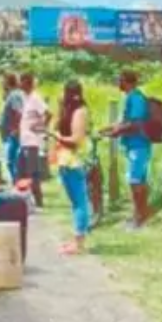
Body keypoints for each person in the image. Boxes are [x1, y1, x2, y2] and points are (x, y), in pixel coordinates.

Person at [107, 70, 153, 230]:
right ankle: (140, 215)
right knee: (138, 181)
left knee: (135, 182)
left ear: (127, 82)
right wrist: (111, 128)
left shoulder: (137, 99)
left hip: (138, 145)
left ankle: (139, 217)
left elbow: (136, 123)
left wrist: (117, 131)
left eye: (120, 80)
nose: (118, 83)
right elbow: (128, 121)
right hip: (133, 145)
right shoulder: (130, 98)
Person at [55, 80, 90, 255]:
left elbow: (74, 138)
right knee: (80, 203)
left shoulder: (74, 112)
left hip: (67, 160)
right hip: (71, 161)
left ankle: (78, 240)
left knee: (78, 203)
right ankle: (78, 241)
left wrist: (56, 136)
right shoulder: (79, 111)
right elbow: (76, 139)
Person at [17, 73, 50, 208]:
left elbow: (48, 114)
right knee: (22, 170)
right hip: (24, 140)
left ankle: (38, 200)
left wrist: (41, 127)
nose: (20, 85)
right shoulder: (25, 98)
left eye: (22, 82)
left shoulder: (36, 98)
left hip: (33, 141)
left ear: (28, 83)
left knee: (33, 172)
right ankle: (26, 199)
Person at [0, 73, 24, 184]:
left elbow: (19, 112)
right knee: (12, 160)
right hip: (9, 134)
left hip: (13, 134)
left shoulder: (14, 95)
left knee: (11, 160)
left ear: (8, 82)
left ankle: (17, 183)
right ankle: (17, 182)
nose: (1, 83)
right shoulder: (11, 94)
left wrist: (16, 129)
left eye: (2, 81)